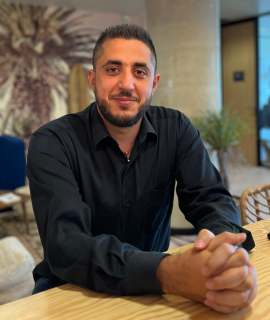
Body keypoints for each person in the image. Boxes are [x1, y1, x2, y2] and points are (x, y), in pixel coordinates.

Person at [27, 24, 257, 314]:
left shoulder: (177, 129)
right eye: (112, 70)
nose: (127, 84)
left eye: (139, 72)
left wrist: (221, 249)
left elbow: (211, 199)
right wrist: (168, 272)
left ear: (154, 82)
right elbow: (66, 244)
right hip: (71, 284)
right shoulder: (52, 142)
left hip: (154, 285)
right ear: (93, 79)